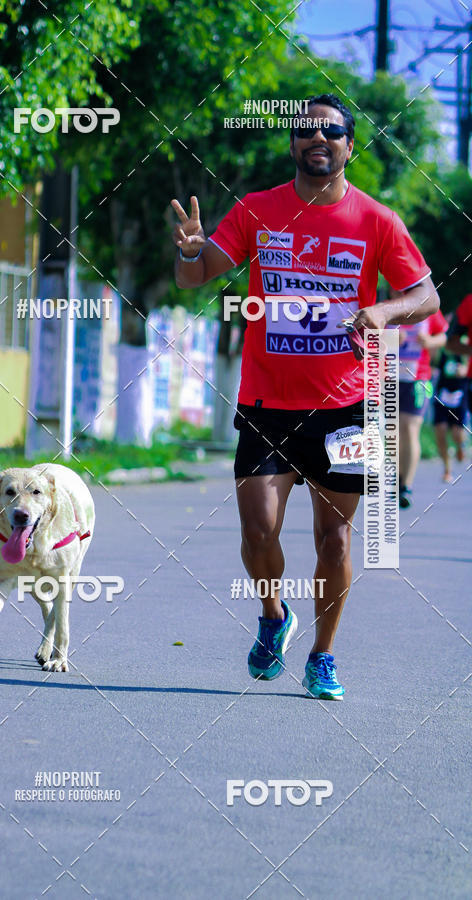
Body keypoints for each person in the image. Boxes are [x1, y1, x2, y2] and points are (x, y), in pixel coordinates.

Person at [171, 93, 439, 700]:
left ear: (350, 144)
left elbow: (426, 297)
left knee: (335, 538)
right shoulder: (257, 210)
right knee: (259, 529)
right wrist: (187, 252)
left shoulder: (376, 220)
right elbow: (195, 276)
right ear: (293, 143)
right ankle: (273, 617)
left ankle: (323, 655)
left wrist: (383, 310)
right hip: (267, 403)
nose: (319, 140)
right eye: (306, 131)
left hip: (344, 406)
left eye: (333, 133)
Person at [397, 306, 447, 507]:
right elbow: (368, 337)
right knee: (393, 433)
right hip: (388, 378)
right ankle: (397, 475)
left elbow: (443, 336)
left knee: (410, 429)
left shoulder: (428, 307)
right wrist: (389, 337)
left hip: (418, 379)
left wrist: (430, 341)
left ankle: (406, 485)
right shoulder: (386, 307)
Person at [432, 339, 468, 482]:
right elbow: (433, 364)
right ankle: (447, 469)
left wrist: (465, 370)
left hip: (459, 395)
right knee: (440, 431)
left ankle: (461, 445)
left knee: (457, 434)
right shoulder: (441, 347)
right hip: (442, 395)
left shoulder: (465, 343)